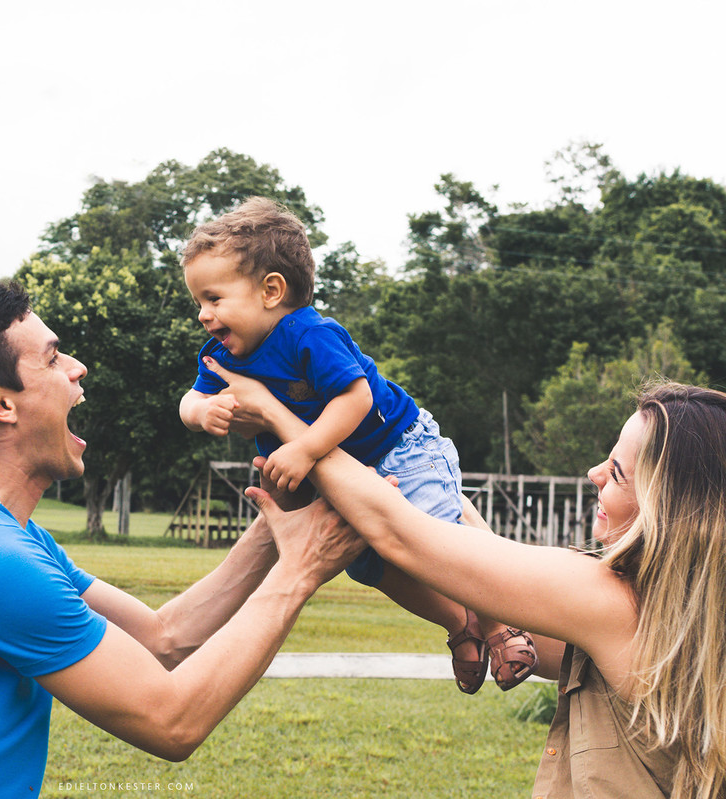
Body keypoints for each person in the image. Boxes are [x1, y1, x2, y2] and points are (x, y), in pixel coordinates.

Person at [0, 280, 367, 798]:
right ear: (0, 403)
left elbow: (163, 638)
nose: (77, 367)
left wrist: (280, 517)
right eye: (52, 357)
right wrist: (298, 572)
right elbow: (172, 721)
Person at [221, 364, 726, 799]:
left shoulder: (614, 605)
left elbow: (399, 535)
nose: (594, 472)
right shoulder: (680, 618)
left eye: (616, 472)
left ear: (669, 509)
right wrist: (444, 493)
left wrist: (280, 416)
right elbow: (506, 602)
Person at [177, 196, 537, 694]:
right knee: (373, 568)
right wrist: (202, 412)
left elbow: (356, 398)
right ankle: (460, 626)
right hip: (340, 479)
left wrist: (303, 450)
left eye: (213, 299)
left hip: (398, 449)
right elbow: (189, 399)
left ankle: (500, 624)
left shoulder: (309, 334)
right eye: (198, 302)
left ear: (271, 291)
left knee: (437, 545)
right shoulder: (222, 355)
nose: (202, 314)